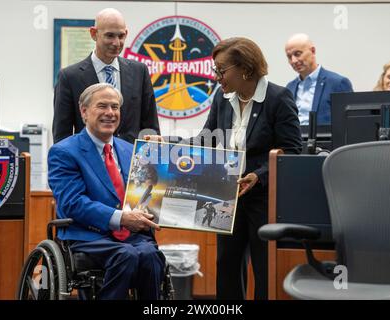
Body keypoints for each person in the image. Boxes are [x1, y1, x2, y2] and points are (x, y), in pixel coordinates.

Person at [146, 37, 302, 299]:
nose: (217, 76)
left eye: (221, 70)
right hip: (226, 193)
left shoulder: (278, 97)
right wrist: (167, 142)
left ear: (245, 68)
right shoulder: (222, 98)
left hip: (263, 197)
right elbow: (205, 142)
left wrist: (258, 176)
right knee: (227, 265)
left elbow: (292, 150)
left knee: (264, 267)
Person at [48, 83, 164, 300]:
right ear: (84, 111)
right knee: (126, 255)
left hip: (132, 237)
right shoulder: (64, 152)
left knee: (151, 255)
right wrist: (121, 218)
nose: (110, 113)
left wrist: (162, 161)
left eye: (115, 107)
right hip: (88, 235)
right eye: (102, 106)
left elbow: (147, 194)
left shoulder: (132, 150)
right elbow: (73, 203)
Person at [53, 8, 159, 144]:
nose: (116, 43)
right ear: (93, 33)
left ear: (126, 33)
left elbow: (150, 127)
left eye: (121, 36)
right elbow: (62, 135)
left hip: (130, 160)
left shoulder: (139, 71)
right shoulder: (69, 77)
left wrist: (150, 161)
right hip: (88, 162)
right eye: (110, 36)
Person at [285, 33, 353, 126]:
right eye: (289, 57)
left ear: (312, 51)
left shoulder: (337, 83)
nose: (293, 61)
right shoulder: (289, 88)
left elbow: (350, 124)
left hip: (325, 139)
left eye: (297, 54)